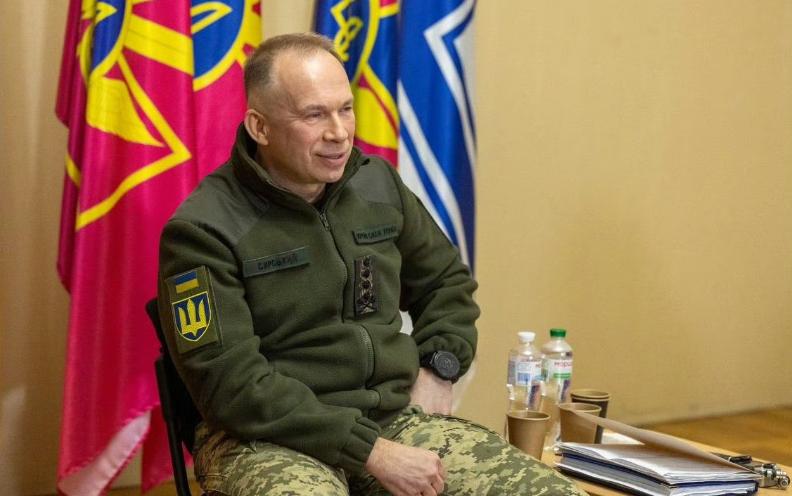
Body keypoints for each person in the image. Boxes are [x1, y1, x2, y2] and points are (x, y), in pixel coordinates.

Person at [157, 33, 584, 496]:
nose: (339, 132)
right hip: (266, 440)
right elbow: (232, 388)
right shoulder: (205, 229)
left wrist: (440, 365)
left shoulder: (375, 185)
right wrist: (370, 452)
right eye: (314, 115)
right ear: (260, 127)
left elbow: (446, 283)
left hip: (389, 419)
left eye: (345, 109)